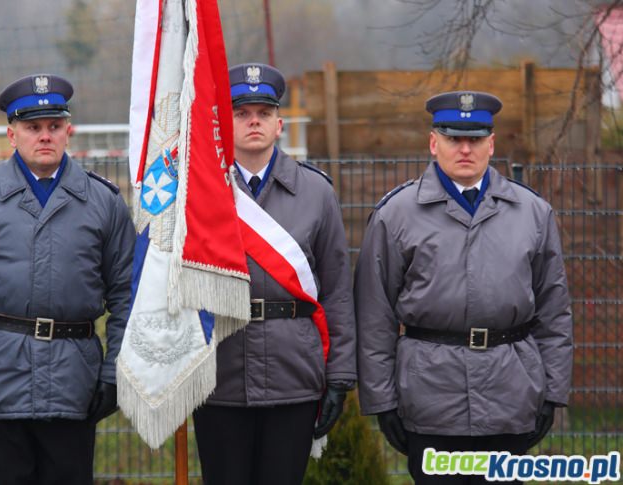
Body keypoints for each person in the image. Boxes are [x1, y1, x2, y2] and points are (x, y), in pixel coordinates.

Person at [0, 73, 136, 485]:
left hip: (74, 388)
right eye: (32, 127)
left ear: (68, 131)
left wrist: (115, 376)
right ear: (12, 134)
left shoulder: (103, 203)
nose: (44, 136)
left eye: (54, 126)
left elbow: (127, 295)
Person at [355, 91, 573, 484]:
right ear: (433, 143)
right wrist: (382, 400)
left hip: (509, 393)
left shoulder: (533, 214)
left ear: (492, 144)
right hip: (430, 397)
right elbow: (375, 315)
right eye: (455, 138)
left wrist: (553, 393)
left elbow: (554, 310)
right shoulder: (397, 214)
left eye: (475, 139)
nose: (465, 149)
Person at [191, 63, 357, 485]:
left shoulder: (317, 192)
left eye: (263, 113)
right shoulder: (199, 192)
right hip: (220, 373)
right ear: (225, 122)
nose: (253, 122)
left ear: (279, 123)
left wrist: (338, 375)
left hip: (293, 372)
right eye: (243, 113)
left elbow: (336, 289)